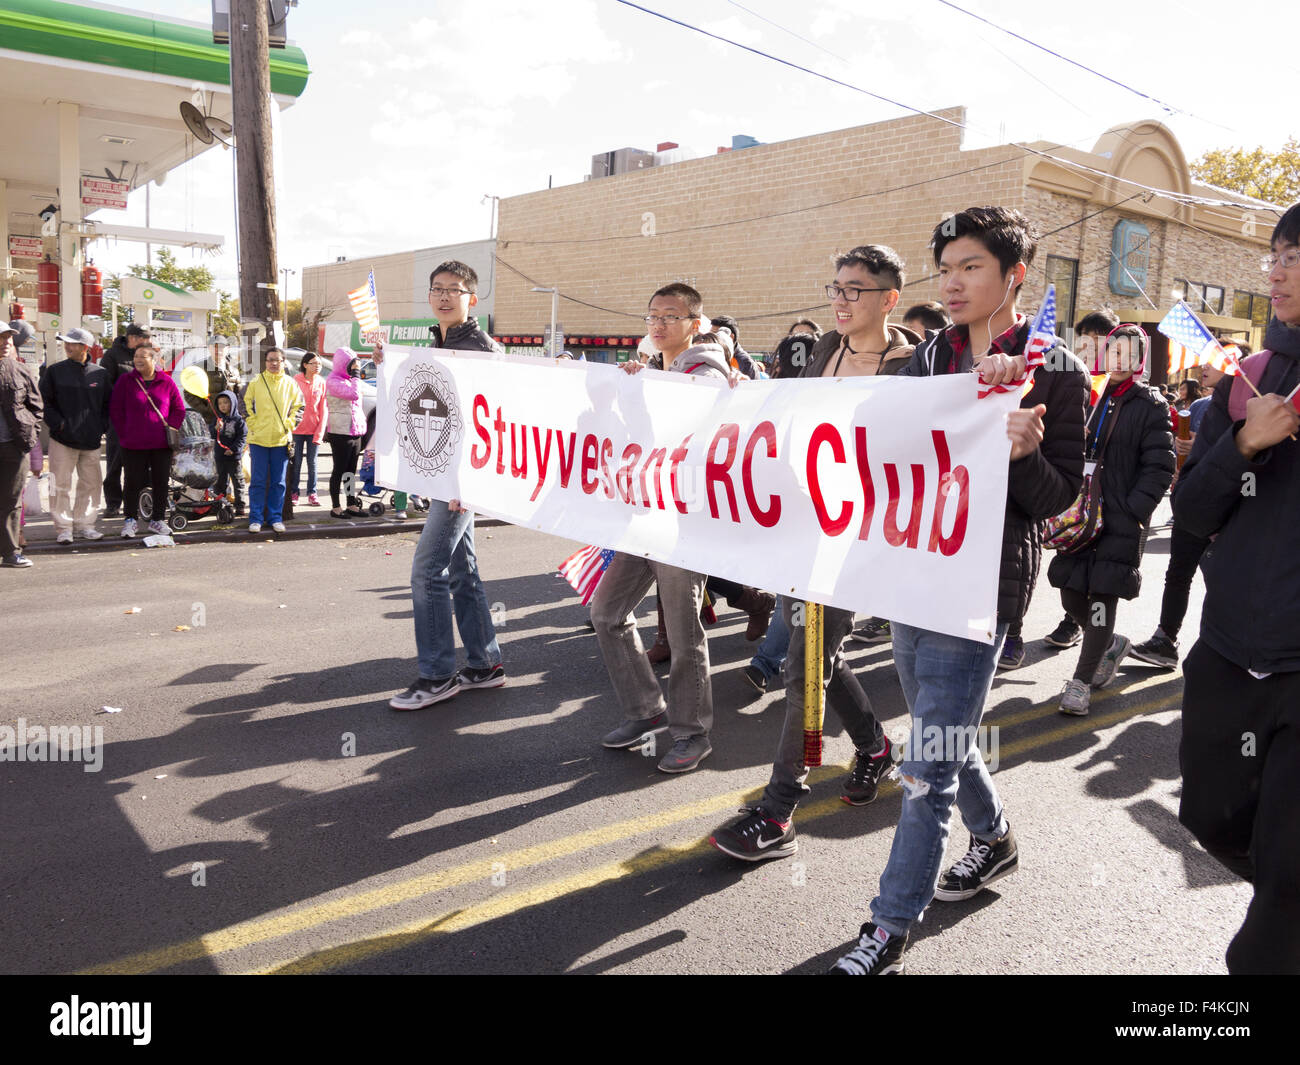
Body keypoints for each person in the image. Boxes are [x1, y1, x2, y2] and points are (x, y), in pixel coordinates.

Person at [829, 207, 1087, 975]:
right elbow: (874, 434)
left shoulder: (1057, 367)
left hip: (981, 586)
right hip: (914, 572)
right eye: (945, 267)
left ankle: (887, 926)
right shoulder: (930, 355)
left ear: (1014, 276)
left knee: (926, 762)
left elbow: (1056, 501)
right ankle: (997, 837)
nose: (952, 281)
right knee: (947, 730)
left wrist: (1020, 449)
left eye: (970, 266)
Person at [712, 246, 917, 858]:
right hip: (811, 530)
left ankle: (778, 812)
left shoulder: (913, 366)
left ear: (889, 298)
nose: (840, 300)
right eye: (834, 288)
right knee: (814, 649)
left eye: (854, 290)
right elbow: (787, 416)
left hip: (864, 538)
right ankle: (876, 747)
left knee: (806, 665)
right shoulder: (825, 351)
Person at [1175, 204, 1300, 974]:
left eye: (1297, 256)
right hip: (1227, 651)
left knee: (1280, 894)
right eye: (1276, 254)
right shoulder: (1249, 378)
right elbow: (1191, 513)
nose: (1278, 269)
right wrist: (1246, 444)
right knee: (1211, 816)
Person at [587, 284, 727, 773]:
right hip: (644, 512)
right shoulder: (659, 371)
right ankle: (647, 710)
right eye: (652, 316)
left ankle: (692, 732)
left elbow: (691, 427)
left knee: (685, 632)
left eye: (671, 315)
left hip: (682, 521)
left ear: (696, 322)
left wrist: (641, 389)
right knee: (606, 613)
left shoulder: (706, 371)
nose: (659, 324)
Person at [373, 259, 506, 710]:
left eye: (455, 288)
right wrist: (385, 364)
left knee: (427, 573)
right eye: (437, 288)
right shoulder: (439, 342)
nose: (445, 295)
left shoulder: (478, 348)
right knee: (463, 572)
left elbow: (491, 419)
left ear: (472, 298)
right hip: (441, 476)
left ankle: (436, 675)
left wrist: (469, 482)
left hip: (459, 482)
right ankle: (484, 664)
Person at [1049, 326, 1174, 716]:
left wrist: (1133, 509)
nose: (1119, 359)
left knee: (1102, 596)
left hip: (1119, 517)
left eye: (1128, 353)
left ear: (1140, 360)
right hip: (1079, 512)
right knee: (1070, 592)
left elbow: (1160, 465)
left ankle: (1080, 683)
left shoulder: (1150, 404)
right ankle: (1110, 643)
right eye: (1113, 350)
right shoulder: (1091, 393)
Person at [1129, 355, 1236, 669]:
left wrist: (1203, 448)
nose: (1204, 367)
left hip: (1233, 506)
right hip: (1193, 502)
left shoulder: (1249, 407)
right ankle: (1165, 640)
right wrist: (1183, 456)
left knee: (1225, 580)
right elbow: (1184, 454)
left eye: (1215, 361)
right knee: (1178, 574)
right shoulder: (1200, 408)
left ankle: (1222, 651)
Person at [1042, 310, 1121, 653]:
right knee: (1068, 564)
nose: (1088, 349)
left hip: (1108, 493)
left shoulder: (1121, 385)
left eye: (1096, 342)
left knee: (1099, 576)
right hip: (1075, 486)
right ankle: (1078, 620)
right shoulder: (1071, 374)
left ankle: (1091, 637)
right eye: (1083, 341)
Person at [40, 327, 111, 543]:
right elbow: (44, 402)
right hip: (61, 439)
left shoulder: (100, 374)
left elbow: (108, 406)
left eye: (72, 343)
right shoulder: (54, 371)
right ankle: (63, 528)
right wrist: (59, 425)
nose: (67, 346)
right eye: (66, 342)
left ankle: (85, 525)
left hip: (91, 440)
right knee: (59, 484)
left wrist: (101, 428)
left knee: (91, 485)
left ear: (85, 347)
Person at [108, 340, 184, 538]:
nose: (138, 360)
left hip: (161, 444)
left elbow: (178, 409)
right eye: (136, 356)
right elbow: (115, 410)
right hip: (132, 444)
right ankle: (130, 520)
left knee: (161, 482)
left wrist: (172, 427)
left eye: (143, 356)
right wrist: (124, 433)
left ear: (154, 359)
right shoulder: (125, 381)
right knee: (132, 482)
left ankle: (157, 520)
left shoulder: (166, 382)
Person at [241, 347, 303, 534]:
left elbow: (300, 407)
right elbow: (244, 404)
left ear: (284, 362)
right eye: (270, 360)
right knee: (258, 482)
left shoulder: (291, 384)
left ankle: (275, 518)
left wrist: (289, 424)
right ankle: (256, 518)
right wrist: (253, 423)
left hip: (281, 440)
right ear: (265, 362)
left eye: (277, 360)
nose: (274, 363)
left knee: (279, 482)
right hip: (258, 440)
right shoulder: (255, 382)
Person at [1, 321, 43, 568]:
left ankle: (10, 552)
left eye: (8, 338)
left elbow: (36, 407)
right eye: (1, 338)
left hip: (14, 446)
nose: (6, 342)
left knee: (11, 501)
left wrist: (30, 435)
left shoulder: (20, 370)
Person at [101, 323, 150, 517]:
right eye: (143, 338)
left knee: (142, 464)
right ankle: (113, 503)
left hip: (143, 420)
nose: (146, 341)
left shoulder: (148, 355)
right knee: (114, 462)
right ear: (132, 337)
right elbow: (106, 387)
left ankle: (141, 501)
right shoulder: (112, 356)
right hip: (119, 420)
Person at [325, 347, 367, 519]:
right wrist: (356, 374)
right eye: (351, 364)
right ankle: (335, 507)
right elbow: (354, 395)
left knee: (350, 471)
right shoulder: (333, 381)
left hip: (354, 431)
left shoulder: (350, 380)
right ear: (343, 364)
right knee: (339, 470)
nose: (354, 367)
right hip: (340, 431)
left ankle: (351, 504)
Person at [290, 351, 327, 506]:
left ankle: (312, 493)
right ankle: (294, 492)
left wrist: (320, 432)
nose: (317, 366)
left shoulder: (321, 382)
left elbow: (323, 408)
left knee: (312, 463)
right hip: (296, 430)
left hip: (313, 430)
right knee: (296, 462)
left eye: (319, 363)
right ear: (305, 365)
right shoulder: (295, 381)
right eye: (314, 363)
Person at [211, 389, 246, 516]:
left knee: (238, 481)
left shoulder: (239, 421)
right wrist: (215, 428)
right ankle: (219, 505)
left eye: (226, 403)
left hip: (233, 457)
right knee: (220, 482)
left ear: (232, 403)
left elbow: (242, 437)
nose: (223, 406)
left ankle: (240, 505)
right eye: (220, 403)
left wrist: (234, 449)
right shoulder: (217, 419)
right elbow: (212, 435)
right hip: (220, 456)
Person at [708, 314, 759, 379]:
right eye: (710, 334)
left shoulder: (746, 363)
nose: (710, 338)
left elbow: (754, 387)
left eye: (715, 334)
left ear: (731, 337)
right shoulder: (710, 354)